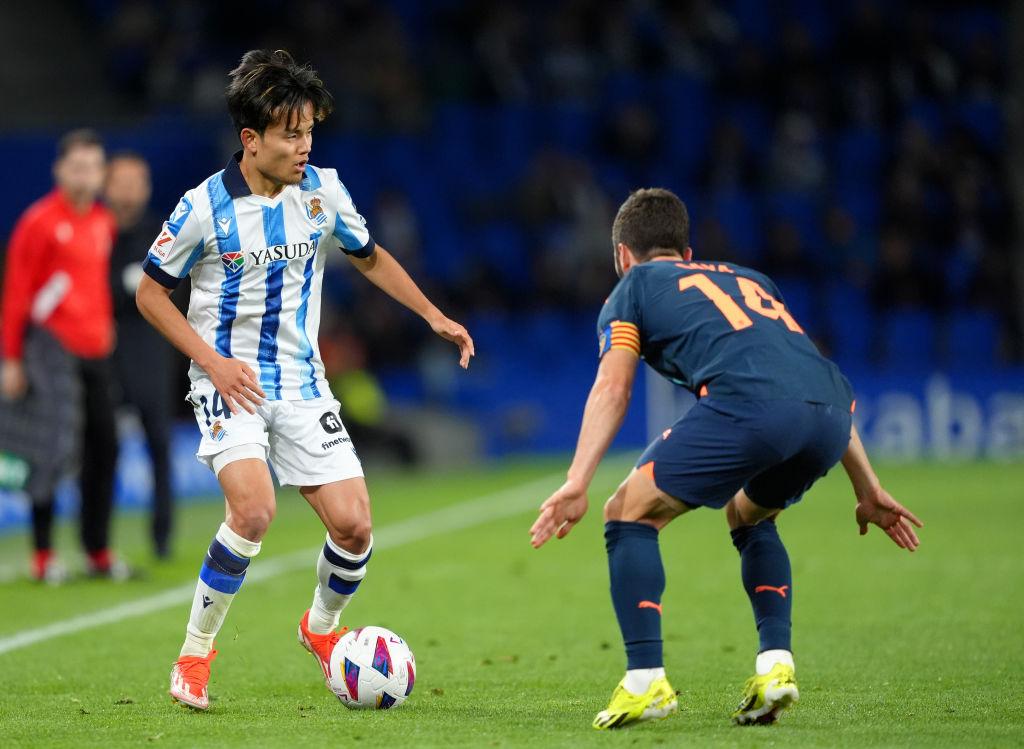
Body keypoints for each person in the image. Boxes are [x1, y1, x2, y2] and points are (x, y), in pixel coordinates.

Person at [135, 49, 474, 711]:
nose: (304, 145)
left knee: (354, 527)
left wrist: (433, 314)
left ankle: (320, 629)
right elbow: (150, 294)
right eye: (291, 134)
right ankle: (195, 654)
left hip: (302, 381)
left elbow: (369, 257)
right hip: (229, 380)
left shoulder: (324, 191)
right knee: (253, 509)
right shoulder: (203, 207)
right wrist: (211, 362)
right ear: (250, 138)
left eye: (309, 131)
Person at [529, 188, 923, 729]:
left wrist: (578, 480)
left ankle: (645, 682)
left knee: (626, 512)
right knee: (748, 514)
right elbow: (806, 377)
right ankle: (775, 667)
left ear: (622, 255)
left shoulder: (633, 287)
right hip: (833, 415)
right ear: (687, 253)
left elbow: (613, 387)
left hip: (751, 407)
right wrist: (867, 487)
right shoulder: (751, 279)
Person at [0, 129, 124, 582]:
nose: (85, 175)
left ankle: (97, 551)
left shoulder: (103, 221)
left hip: (95, 351)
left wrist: (106, 325)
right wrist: (11, 359)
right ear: (59, 171)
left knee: (105, 445)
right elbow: (17, 291)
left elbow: (96, 284)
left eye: (93, 167)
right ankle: (43, 554)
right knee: (50, 448)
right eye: (77, 167)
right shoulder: (39, 221)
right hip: (50, 348)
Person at [105, 152, 179, 560]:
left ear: (147, 187)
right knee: (100, 448)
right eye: (122, 181)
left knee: (159, 446)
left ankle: (162, 538)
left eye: (137, 182)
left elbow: (177, 294)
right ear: (107, 186)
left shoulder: (161, 234)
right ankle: (98, 541)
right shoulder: (96, 233)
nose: (130, 190)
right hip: (103, 354)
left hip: (150, 352)